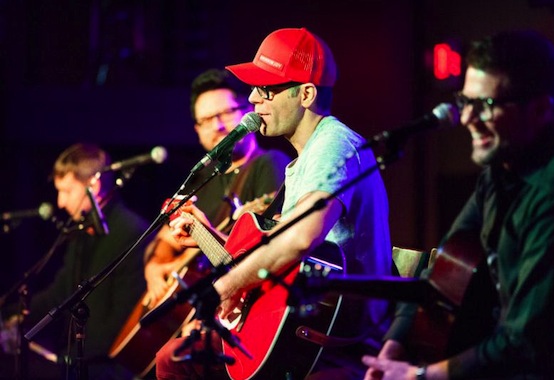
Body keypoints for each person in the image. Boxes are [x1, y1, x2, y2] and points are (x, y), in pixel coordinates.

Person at [161, 27, 393, 379]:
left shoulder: (333, 144)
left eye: (266, 89)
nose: (253, 99)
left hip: (337, 336)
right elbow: (277, 259)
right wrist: (207, 235)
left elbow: (301, 238)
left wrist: (223, 287)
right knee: (176, 355)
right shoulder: (301, 162)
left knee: (176, 359)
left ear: (306, 94)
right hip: (302, 320)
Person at [363, 29, 554, 379]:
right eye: (465, 101)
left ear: (540, 110)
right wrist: (394, 346)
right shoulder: (496, 175)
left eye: (485, 105)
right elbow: (442, 272)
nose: (466, 118)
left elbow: (524, 342)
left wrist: (418, 376)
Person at [144, 68, 291, 309]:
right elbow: (164, 238)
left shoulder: (269, 164)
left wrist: (208, 235)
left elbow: (268, 248)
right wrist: (155, 268)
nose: (218, 126)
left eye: (226, 113)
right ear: (197, 130)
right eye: (206, 120)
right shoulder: (203, 177)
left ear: (247, 111)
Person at [1, 143, 150, 379]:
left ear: (95, 185)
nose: (60, 202)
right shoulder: (83, 232)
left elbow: (124, 321)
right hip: (81, 360)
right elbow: (58, 294)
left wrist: (64, 360)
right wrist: (9, 313)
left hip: (109, 368)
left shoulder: (131, 233)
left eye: (67, 191)